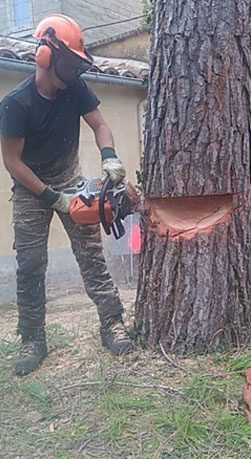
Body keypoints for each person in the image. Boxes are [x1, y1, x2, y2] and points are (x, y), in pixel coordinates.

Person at [1, 14, 132, 376]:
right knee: (30, 264)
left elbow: (101, 125)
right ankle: (32, 339)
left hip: (70, 177)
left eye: (78, 62)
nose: (75, 69)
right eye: (70, 61)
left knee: (90, 254)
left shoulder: (74, 87)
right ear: (46, 55)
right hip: (30, 187)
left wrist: (110, 158)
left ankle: (112, 323)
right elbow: (12, 162)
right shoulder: (16, 104)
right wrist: (49, 197)